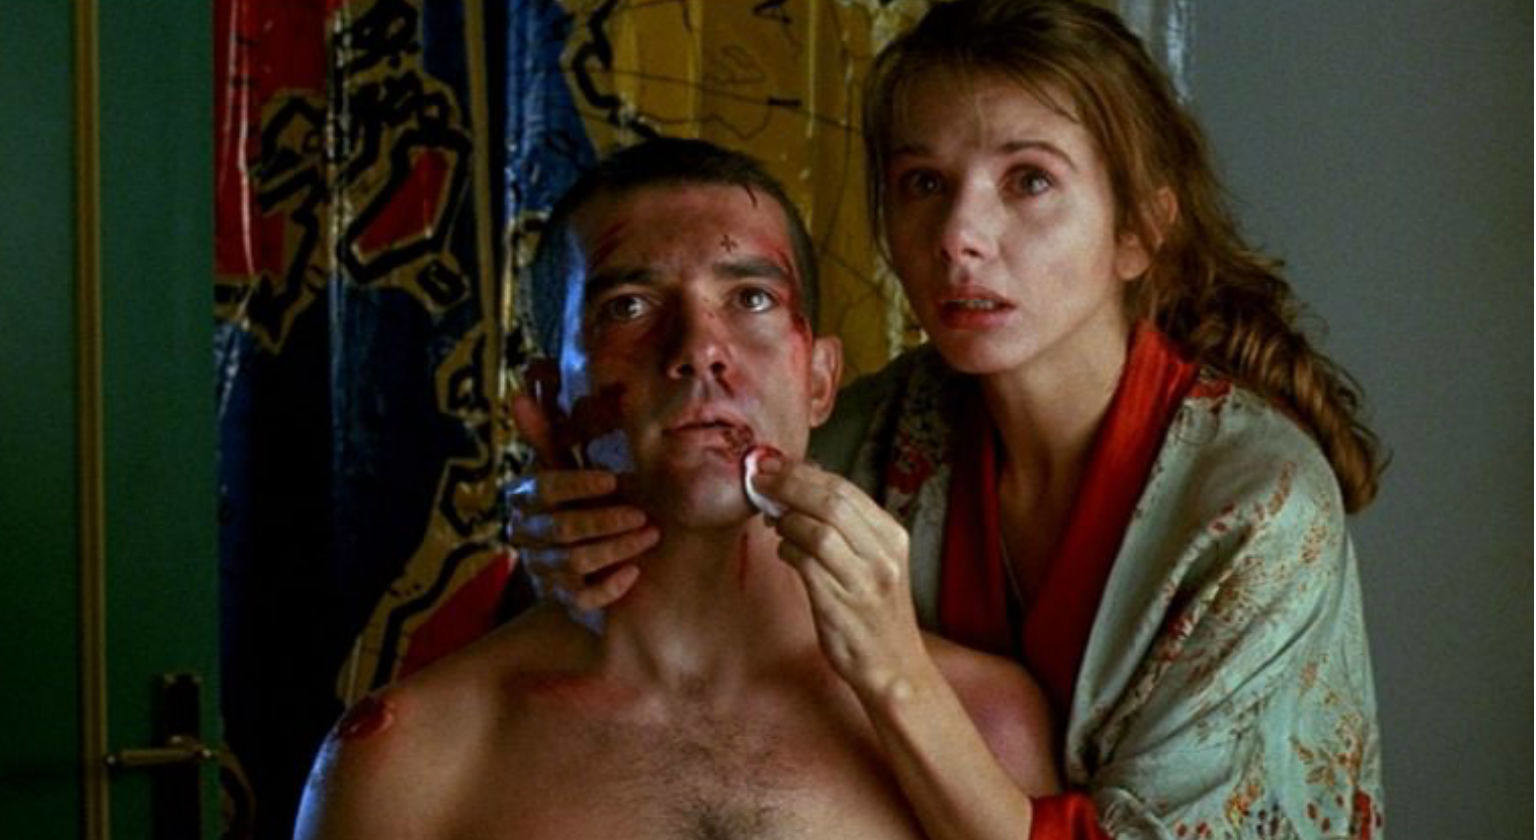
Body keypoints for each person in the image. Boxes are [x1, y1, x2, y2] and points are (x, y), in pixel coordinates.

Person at [510, 1, 1386, 838]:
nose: (958, 235)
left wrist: (895, 672)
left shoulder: (1258, 512)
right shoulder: (871, 435)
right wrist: (564, 531)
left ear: (1139, 230)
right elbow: (679, 586)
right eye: (923, 183)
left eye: (1029, 181)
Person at [292, 138, 1060, 840]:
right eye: (629, 307)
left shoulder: (981, 723)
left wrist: (897, 684)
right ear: (548, 398)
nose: (700, 350)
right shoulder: (412, 758)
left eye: (751, 299)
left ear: (821, 380)